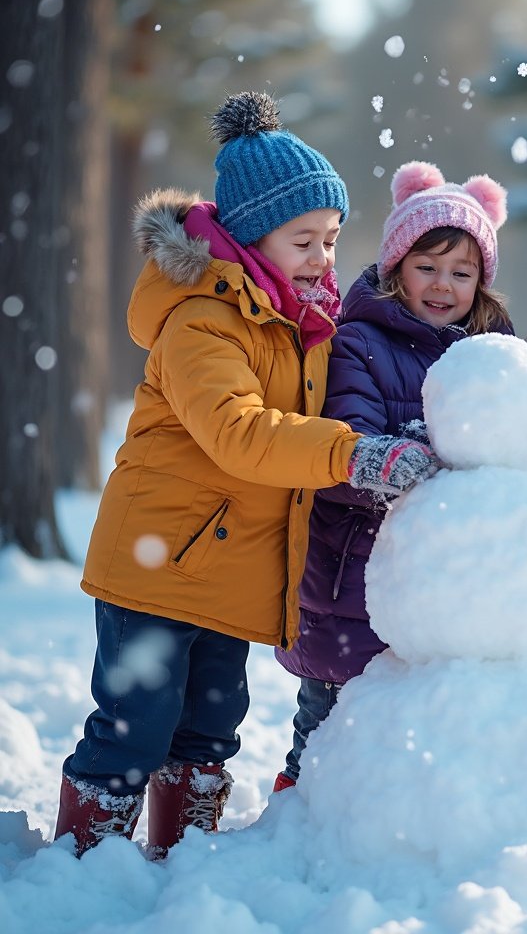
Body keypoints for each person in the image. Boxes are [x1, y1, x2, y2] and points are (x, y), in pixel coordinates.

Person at [53, 91, 431, 858]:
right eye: (305, 242)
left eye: (331, 238)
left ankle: (179, 855)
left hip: (231, 570)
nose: (326, 259)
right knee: (137, 724)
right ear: (252, 239)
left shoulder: (302, 325)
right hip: (156, 565)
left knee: (210, 726)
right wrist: (348, 452)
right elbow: (237, 431)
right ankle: (83, 866)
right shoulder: (202, 319)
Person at [271, 160, 514, 792]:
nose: (443, 285)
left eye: (462, 273)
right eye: (427, 267)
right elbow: (343, 450)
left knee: (408, 722)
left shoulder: (488, 352)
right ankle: (297, 808)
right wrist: (397, 459)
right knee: (327, 717)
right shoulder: (360, 343)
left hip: (438, 586)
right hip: (353, 576)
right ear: (396, 268)